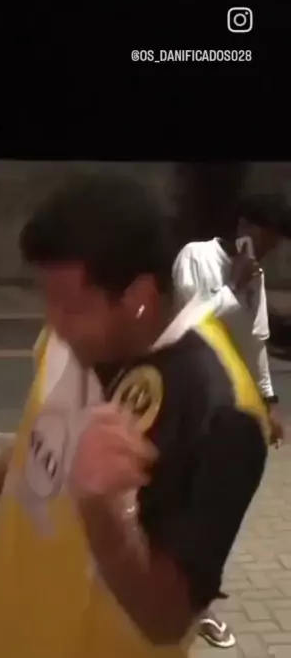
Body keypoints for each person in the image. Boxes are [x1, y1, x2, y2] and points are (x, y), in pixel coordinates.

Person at [0, 175, 269, 658]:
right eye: (48, 299)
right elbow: (36, 447)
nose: (54, 322)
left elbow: (166, 620)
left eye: (71, 305)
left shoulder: (220, 409)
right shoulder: (67, 339)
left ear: (139, 296)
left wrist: (103, 508)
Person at [172, 190, 290, 649]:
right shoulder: (196, 257)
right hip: (189, 403)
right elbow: (188, 327)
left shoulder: (255, 277)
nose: (267, 252)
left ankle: (198, 597)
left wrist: (269, 400)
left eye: (274, 245)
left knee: (217, 512)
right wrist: (233, 286)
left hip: (232, 412)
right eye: (265, 240)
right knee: (181, 503)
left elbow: (255, 344)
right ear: (243, 228)